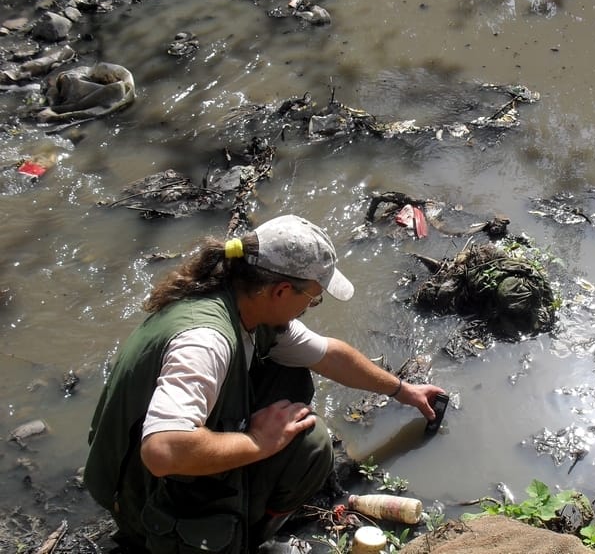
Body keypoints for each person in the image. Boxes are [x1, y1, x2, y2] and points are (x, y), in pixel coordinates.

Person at [84, 214, 445, 554]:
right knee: (312, 444)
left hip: (140, 466)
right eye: (313, 298)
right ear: (281, 290)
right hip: (138, 497)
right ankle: (240, 541)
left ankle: (239, 519)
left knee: (289, 373)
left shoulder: (239, 299)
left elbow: (330, 356)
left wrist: (403, 391)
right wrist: (258, 442)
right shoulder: (205, 342)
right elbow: (162, 451)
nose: (310, 307)